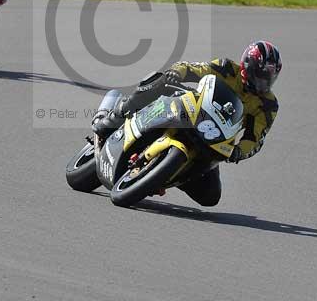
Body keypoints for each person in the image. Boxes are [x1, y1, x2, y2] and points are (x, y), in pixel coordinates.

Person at [92, 40, 282, 206]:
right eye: (260, 74)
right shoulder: (226, 68)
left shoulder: (268, 105)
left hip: (214, 138)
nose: (264, 81)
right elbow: (193, 68)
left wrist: (239, 151)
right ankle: (115, 115)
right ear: (247, 66)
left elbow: (256, 138)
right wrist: (177, 73)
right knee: (159, 80)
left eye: (269, 77)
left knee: (210, 197)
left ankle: (172, 174)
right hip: (192, 111)